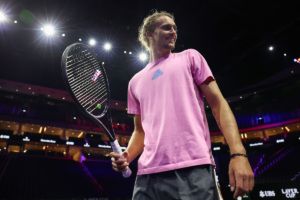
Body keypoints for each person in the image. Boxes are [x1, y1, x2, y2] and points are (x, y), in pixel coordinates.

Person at [110, 10, 254, 199]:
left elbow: (218, 104)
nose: (174, 32)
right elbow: (140, 131)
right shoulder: (135, 82)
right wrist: (128, 155)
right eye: (166, 27)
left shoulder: (190, 57)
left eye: (175, 28)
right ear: (149, 34)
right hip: (147, 176)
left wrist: (238, 153)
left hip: (192, 169)